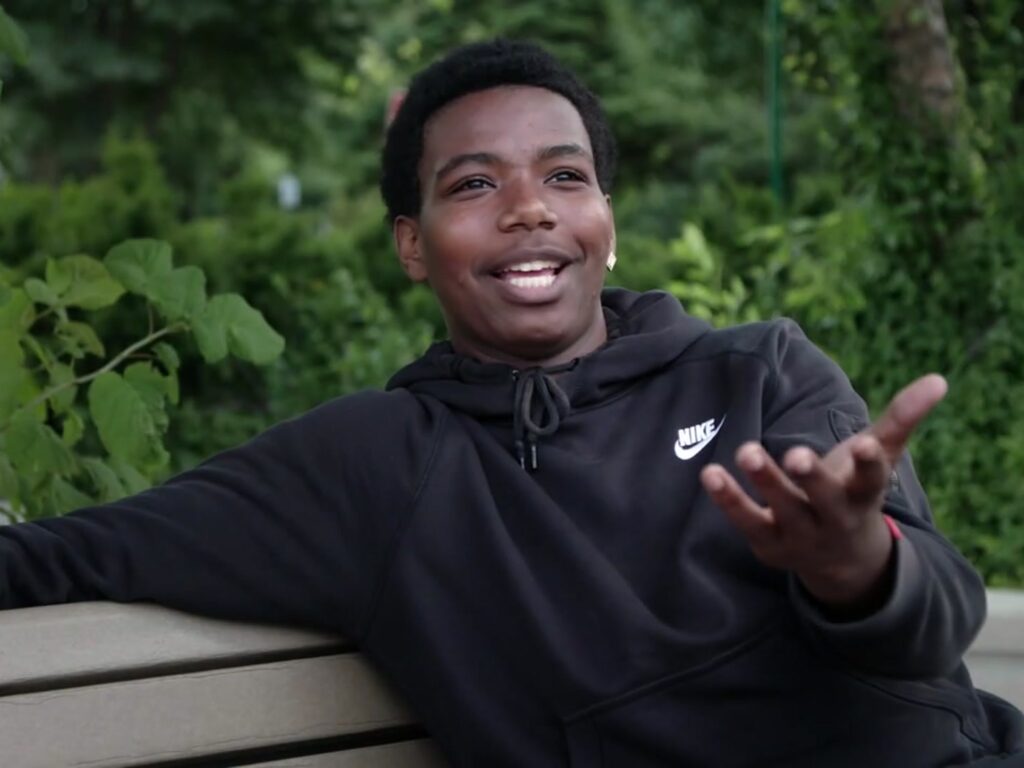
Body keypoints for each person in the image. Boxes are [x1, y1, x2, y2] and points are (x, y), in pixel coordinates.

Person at [1, 38, 1022, 768]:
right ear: (412, 245)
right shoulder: (376, 466)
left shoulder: (758, 372)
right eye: (474, 185)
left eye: (565, 176)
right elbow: (72, 556)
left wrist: (857, 567)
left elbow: (934, 629)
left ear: (606, 220)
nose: (530, 208)